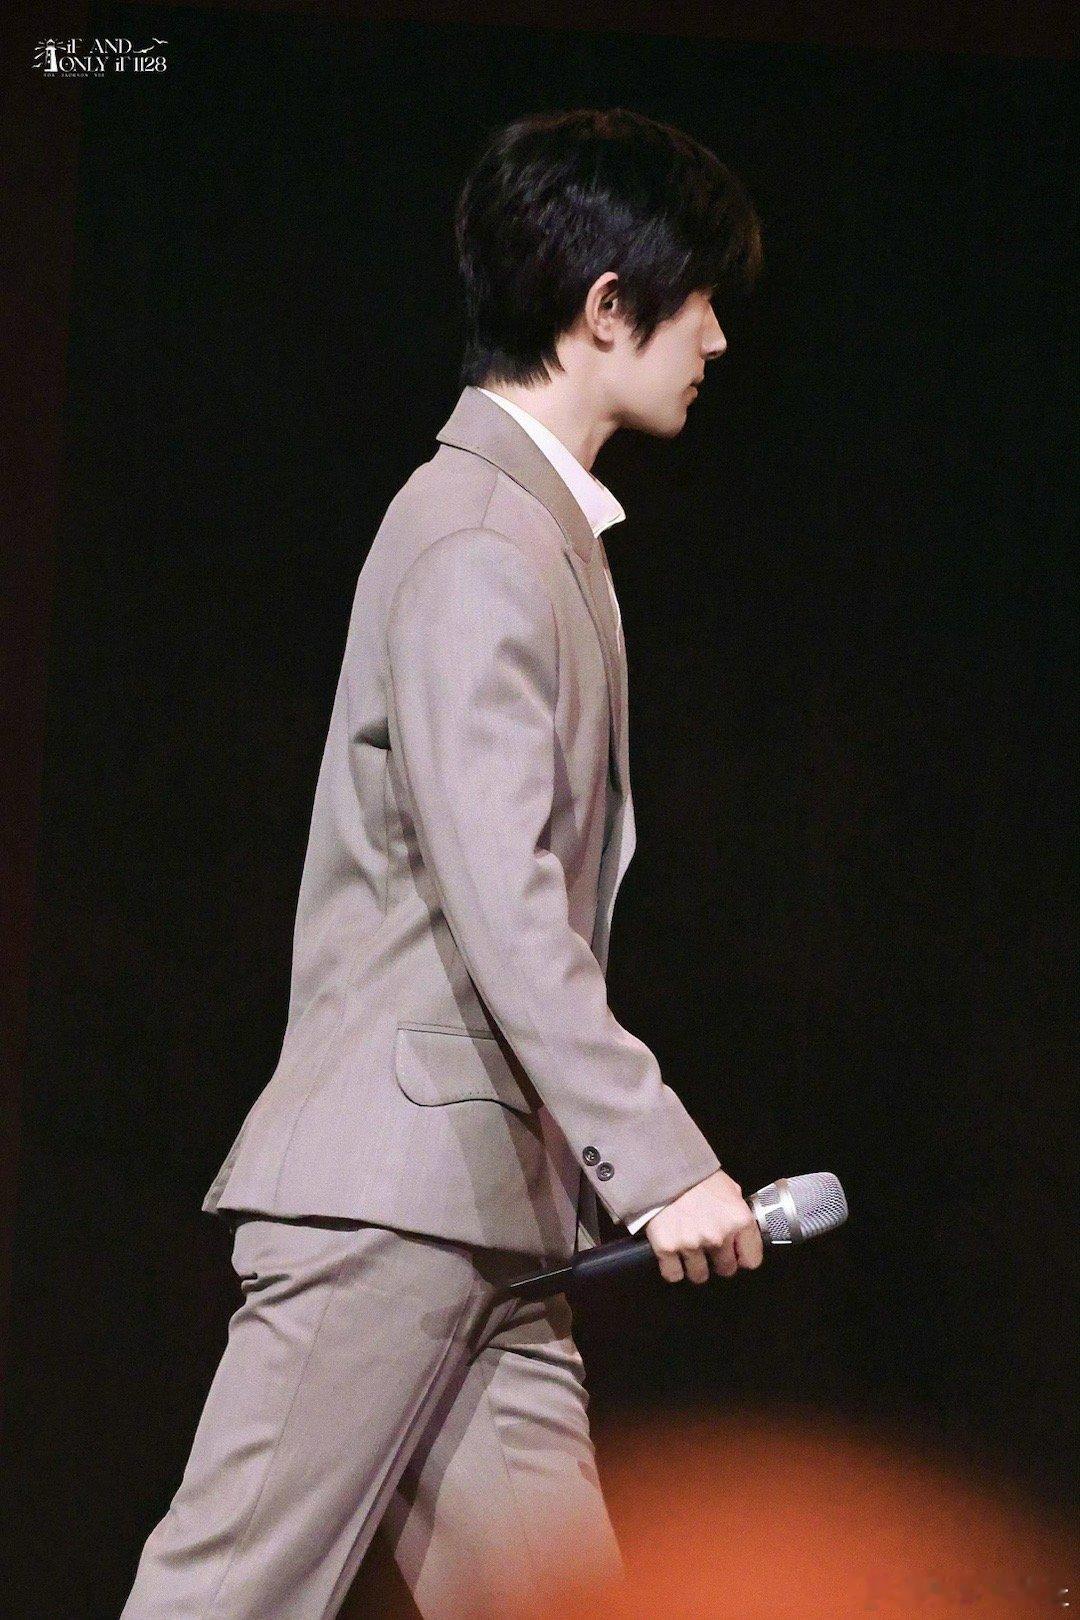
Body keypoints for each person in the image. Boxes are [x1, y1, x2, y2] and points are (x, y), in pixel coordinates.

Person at [121, 106, 766, 1620]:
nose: (719, 338)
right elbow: (504, 899)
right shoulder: (480, 535)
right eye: (699, 299)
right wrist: (664, 1164)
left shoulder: (533, 532)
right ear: (605, 306)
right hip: (394, 1211)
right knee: (223, 1598)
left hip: (491, 1219)